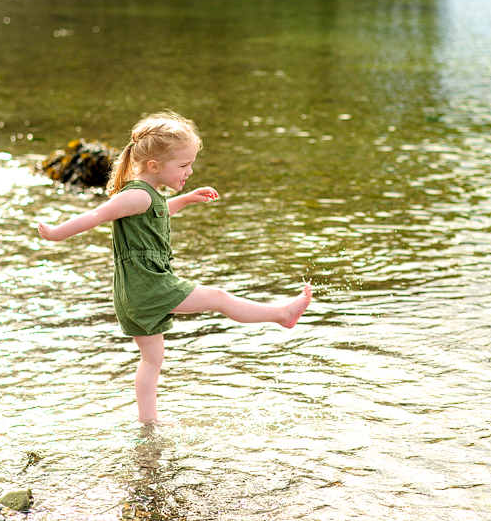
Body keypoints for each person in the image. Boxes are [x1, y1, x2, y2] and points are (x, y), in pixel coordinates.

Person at [38, 111, 312, 423]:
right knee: (218, 298)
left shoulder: (144, 194)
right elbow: (98, 215)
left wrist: (185, 200)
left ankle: (148, 423)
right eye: (183, 166)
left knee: (152, 359)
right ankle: (282, 315)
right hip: (148, 284)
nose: (190, 171)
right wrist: (56, 233)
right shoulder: (138, 195)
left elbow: (154, 215)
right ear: (154, 166)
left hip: (131, 293)